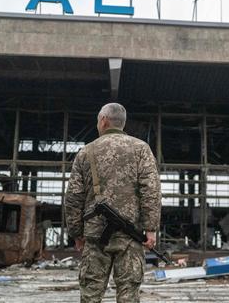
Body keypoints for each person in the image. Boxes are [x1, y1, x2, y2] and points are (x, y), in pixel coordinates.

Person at [65, 103, 161, 303]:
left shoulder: (86, 152)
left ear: (103, 120)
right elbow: (151, 190)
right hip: (130, 237)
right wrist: (151, 229)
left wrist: (77, 233)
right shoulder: (141, 149)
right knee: (128, 294)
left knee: (91, 294)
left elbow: (74, 197)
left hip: (94, 236)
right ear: (122, 123)